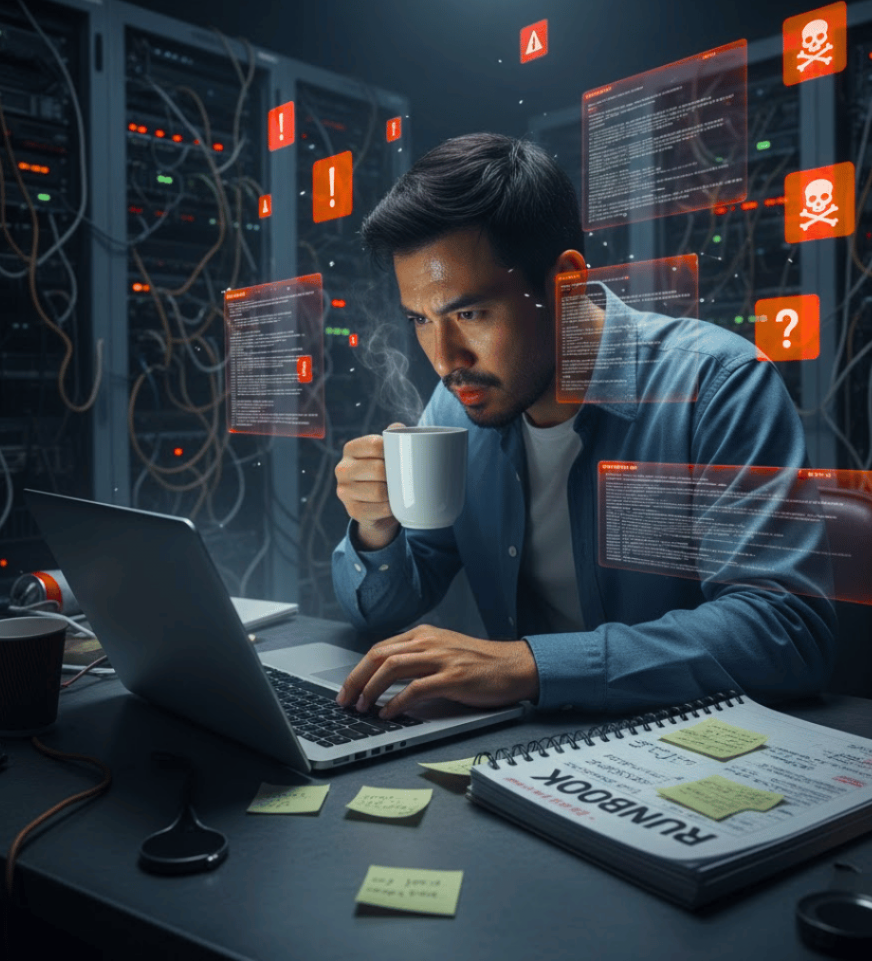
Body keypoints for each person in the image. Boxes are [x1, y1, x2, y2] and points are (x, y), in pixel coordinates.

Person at [331, 132, 835, 719]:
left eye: (469, 313)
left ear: (565, 284)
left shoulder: (716, 386)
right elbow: (383, 609)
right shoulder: (458, 411)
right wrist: (375, 530)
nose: (445, 359)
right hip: (527, 748)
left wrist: (526, 666)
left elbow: (786, 631)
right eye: (421, 319)